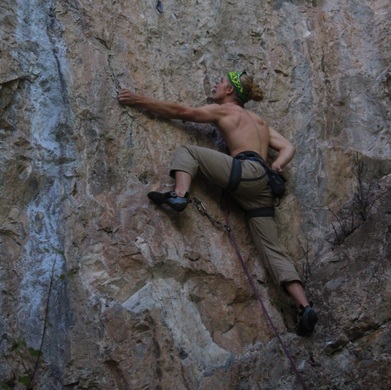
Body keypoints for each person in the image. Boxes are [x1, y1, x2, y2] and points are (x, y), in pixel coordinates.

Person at [118, 72, 318, 335]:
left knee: (188, 151)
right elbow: (288, 146)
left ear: (230, 92)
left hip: (243, 173)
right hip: (264, 185)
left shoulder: (226, 112)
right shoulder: (258, 121)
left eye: (222, 82)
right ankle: (304, 306)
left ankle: (179, 195)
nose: (216, 85)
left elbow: (181, 112)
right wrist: (277, 164)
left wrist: (138, 99)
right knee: (272, 250)